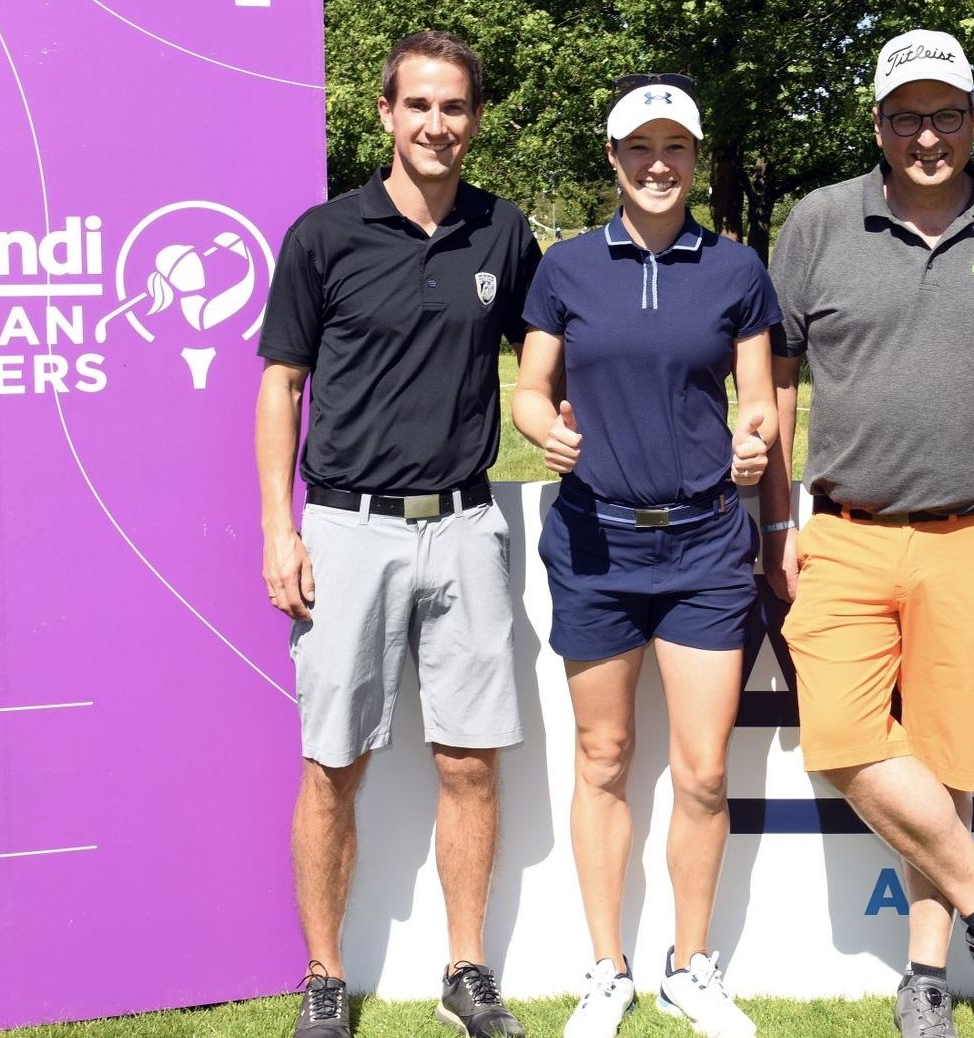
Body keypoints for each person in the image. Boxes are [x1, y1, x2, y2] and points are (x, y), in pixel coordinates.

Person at [758, 28, 974, 1038]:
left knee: (945, 760)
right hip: (845, 527)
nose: (929, 135)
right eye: (908, 116)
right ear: (878, 125)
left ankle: (927, 979)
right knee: (846, 743)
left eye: (948, 115)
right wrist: (776, 511)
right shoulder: (817, 221)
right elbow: (774, 375)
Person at [254, 30, 540, 1038]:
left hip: (465, 526)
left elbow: (550, 358)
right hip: (346, 530)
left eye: (454, 107)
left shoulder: (504, 234)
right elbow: (281, 385)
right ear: (384, 114)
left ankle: (466, 971)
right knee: (333, 761)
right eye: (418, 105)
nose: (436, 124)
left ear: (473, 118)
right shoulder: (324, 236)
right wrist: (276, 528)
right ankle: (324, 978)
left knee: (470, 760)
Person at [511, 71, 777, 1038]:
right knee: (605, 756)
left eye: (674, 148)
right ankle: (605, 969)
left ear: (695, 158)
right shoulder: (566, 267)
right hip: (594, 543)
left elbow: (756, 400)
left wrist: (753, 444)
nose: (657, 164)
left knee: (704, 771)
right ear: (614, 158)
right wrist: (544, 427)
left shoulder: (737, 269)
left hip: (706, 544)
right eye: (639, 148)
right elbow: (530, 387)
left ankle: (689, 968)